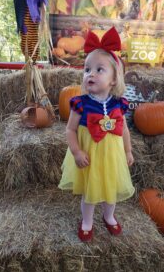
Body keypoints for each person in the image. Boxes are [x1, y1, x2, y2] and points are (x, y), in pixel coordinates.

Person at [58, 27, 135, 242]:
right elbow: (70, 130)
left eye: (99, 69)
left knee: (110, 191)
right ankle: (87, 221)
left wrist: (127, 150)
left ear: (113, 79)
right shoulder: (79, 104)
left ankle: (109, 216)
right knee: (89, 193)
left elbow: (124, 130)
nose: (90, 74)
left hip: (111, 158)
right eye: (87, 69)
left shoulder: (118, 104)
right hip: (88, 157)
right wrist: (76, 152)